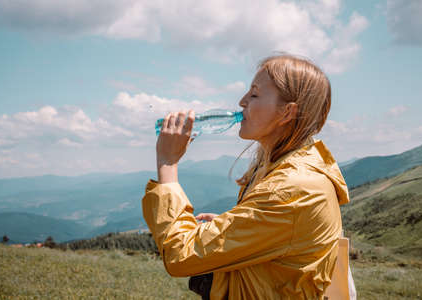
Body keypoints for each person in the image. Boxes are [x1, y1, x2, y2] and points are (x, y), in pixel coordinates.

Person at [142, 54, 350, 299]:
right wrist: (239, 228)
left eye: (254, 94)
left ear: (287, 112)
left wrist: (167, 163)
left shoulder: (291, 190)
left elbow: (180, 255)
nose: (241, 102)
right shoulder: (288, 170)